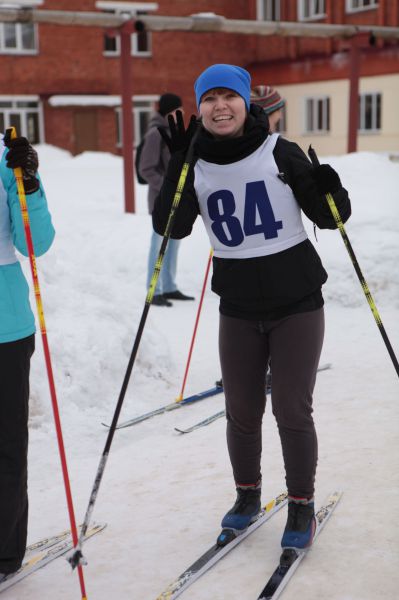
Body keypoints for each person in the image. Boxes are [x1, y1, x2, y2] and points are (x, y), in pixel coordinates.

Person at [153, 64, 351, 550]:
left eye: (230, 96)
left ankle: (300, 503)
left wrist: (328, 187)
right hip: (238, 307)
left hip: (297, 303)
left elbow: (331, 217)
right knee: (241, 410)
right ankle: (247, 496)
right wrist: (179, 163)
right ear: (199, 107)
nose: (221, 106)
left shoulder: (277, 152)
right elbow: (171, 228)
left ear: (247, 103)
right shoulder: (195, 164)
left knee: (290, 407)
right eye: (210, 98)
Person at [0, 132, 55, 580]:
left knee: (5, 447)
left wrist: (29, 183)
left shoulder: (6, 159)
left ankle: (2, 554)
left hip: (5, 328)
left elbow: (35, 244)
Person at [140, 93, 194, 306]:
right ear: (168, 111)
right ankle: (153, 290)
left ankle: (169, 286)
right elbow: (146, 168)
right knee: (158, 244)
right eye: (177, 109)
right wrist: (168, 186)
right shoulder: (156, 133)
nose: (181, 112)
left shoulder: (174, 132)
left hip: (177, 198)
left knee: (173, 243)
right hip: (161, 200)